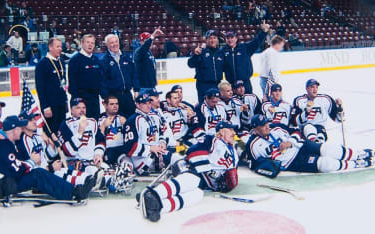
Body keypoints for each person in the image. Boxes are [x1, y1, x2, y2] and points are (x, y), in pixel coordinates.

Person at [0, 115, 96, 202]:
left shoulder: (5, 142)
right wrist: (33, 161)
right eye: (20, 128)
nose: (22, 130)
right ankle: (73, 193)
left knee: (38, 172)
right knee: (37, 174)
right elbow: (18, 170)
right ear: (15, 129)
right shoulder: (2, 145)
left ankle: (76, 186)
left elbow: (14, 166)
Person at [139, 121, 239, 222]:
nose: (234, 132)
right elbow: (193, 151)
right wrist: (210, 172)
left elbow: (231, 172)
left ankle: (159, 207)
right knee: (192, 180)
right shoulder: (212, 139)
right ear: (221, 131)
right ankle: (153, 194)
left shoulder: (233, 150)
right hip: (190, 169)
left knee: (198, 195)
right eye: (230, 129)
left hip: (205, 183)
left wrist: (226, 182)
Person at [246, 114, 374, 177]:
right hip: (293, 162)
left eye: (267, 123)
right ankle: (356, 164)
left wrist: (290, 142)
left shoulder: (276, 127)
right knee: (325, 164)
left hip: (301, 147)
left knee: (327, 148)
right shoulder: (252, 145)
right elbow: (254, 164)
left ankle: (361, 154)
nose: (267, 126)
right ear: (256, 130)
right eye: (263, 126)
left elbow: (296, 131)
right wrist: (271, 164)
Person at [15, 112, 98, 186]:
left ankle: (88, 179)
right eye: (30, 120)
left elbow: (47, 157)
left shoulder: (38, 137)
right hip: (39, 175)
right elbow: (30, 166)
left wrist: (52, 146)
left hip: (46, 169)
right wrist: (51, 168)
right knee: (61, 175)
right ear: (23, 124)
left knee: (67, 171)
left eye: (34, 119)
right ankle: (82, 184)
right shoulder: (22, 141)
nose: (34, 122)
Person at [123, 90, 182, 175]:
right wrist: (150, 148)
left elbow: (161, 133)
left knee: (184, 150)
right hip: (144, 160)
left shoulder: (153, 116)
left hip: (158, 151)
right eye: (144, 103)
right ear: (137, 105)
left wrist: (162, 142)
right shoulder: (133, 120)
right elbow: (129, 147)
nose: (148, 106)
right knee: (176, 157)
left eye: (149, 103)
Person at [221, 21, 269, 94]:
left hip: (245, 83)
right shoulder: (223, 51)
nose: (230, 40)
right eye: (228, 38)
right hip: (232, 84)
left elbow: (256, 42)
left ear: (236, 38)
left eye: (232, 37)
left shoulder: (245, 48)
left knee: (249, 101)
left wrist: (263, 32)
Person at [57, 98, 105, 170]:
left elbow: (100, 140)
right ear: (72, 110)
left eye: (84, 107)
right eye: (78, 108)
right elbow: (68, 152)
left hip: (92, 161)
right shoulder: (65, 125)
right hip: (75, 163)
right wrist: (80, 132)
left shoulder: (92, 122)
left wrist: (98, 154)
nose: (82, 110)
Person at [35, 37, 68, 134]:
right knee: (52, 131)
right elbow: (40, 88)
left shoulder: (61, 61)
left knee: (62, 130)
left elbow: (63, 83)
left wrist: (65, 100)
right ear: (50, 47)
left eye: (61, 47)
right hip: (50, 105)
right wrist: (45, 106)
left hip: (61, 103)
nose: (60, 49)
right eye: (57, 47)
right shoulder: (42, 64)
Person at [101, 34, 139, 117]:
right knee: (118, 121)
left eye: (116, 41)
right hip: (114, 97)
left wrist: (136, 89)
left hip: (127, 95)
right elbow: (102, 82)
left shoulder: (126, 58)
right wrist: (106, 98)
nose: (115, 44)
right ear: (107, 45)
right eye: (111, 43)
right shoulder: (104, 61)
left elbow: (134, 74)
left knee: (132, 118)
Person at [68, 34, 103, 121]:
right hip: (81, 101)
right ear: (82, 43)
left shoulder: (96, 60)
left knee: (94, 124)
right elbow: (72, 82)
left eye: (92, 43)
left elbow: (100, 79)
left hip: (94, 100)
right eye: (88, 42)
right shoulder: (74, 60)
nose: (90, 45)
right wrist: (77, 102)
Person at [188, 30, 224, 103]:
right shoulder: (201, 51)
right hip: (203, 85)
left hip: (217, 84)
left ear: (217, 39)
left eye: (214, 38)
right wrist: (195, 55)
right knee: (204, 106)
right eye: (210, 38)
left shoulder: (220, 52)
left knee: (217, 105)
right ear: (206, 40)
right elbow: (190, 64)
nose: (212, 40)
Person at [97, 95, 127, 165]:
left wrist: (126, 124)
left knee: (126, 164)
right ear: (105, 105)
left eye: (116, 104)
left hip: (121, 149)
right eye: (112, 104)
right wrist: (103, 126)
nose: (115, 106)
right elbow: (97, 138)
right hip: (107, 149)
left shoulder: (123, 117)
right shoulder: (99, 119)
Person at [259, 35, 285, 100]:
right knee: (276, 99)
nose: (281, 48)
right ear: (277, 44)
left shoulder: (267, 51)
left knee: (268, 99)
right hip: (269, 80)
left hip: (264, 79)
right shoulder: (272, 53)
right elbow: (271, 68)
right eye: (281, 46)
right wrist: (275, 81)